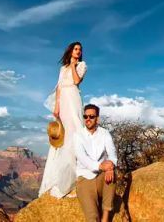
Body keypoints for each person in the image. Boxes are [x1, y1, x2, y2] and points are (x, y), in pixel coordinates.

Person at [39, 42, 87, 198]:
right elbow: (59, 87)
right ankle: (59, 177)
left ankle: (74, 177)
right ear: (70, 51)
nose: (78, 51)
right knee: (64, 135)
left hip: (74, 99)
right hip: (64, 101)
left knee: (75, 132)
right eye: (75, 49)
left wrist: (73, 65)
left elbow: (76, 81)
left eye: (80, 50)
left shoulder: (82, 65)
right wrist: (57, 106)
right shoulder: (62, 69)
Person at [74, 104, 117, 222]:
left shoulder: (105, 133)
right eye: (85, 116)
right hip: (85, 178)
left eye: (91, 116)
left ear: (97, 118)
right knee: (92, 217)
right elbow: (82, 157)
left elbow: (112, 154)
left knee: (112, 172)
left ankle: (106, 216)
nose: (88, 119)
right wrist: (100, 165)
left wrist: (110, 166)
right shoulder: (78, 135)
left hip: (100, 177)